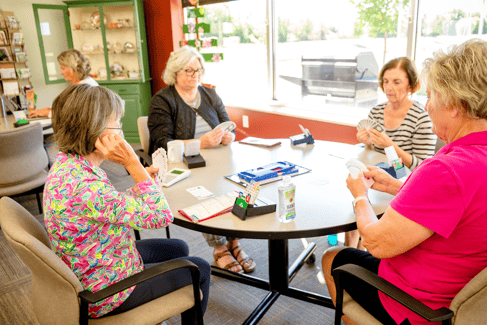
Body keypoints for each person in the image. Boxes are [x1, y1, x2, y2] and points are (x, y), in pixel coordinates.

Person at [322, 38, 487, 325]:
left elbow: (375, 243)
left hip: (419, 305)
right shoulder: (474, 160)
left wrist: (360, 195)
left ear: (456, 104)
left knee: (332, 258)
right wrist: (399, 186)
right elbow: (456, 205)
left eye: (433, 96)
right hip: (463, 292)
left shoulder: (446, 170)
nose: (428, 104)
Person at [43, 84, 210, 322]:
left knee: (178, 248)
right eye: (118, 123)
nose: (121, 131)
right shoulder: (85, 187)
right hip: (105, 292)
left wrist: (142, 183)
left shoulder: (69, 165)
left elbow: (105, 207)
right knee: (200, 267)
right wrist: (134, 165)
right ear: (96, 130)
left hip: (96, 260)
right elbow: (161, 216)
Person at [148, 46, 256, 274]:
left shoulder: (210, 95)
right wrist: (202, 143)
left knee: (241, 187)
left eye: (199, 69)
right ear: (175, 73)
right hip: (186, 165)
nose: (196, 74)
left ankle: (234, 242)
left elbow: (230, 126)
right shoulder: (163, 100)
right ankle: (220, 249)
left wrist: (229, 136)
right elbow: (161, 143)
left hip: (220, 159)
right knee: (209, 194)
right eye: (189, 70)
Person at [347, 57, 437, 248]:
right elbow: (372, 155)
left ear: (411, 86)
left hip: (404, 183)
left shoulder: (422, 118)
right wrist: (367, 143)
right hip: (377, 175)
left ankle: (364, 251)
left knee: (363, 203)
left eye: (397, 82)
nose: (389, 87)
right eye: (386, 81)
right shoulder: (376, 112)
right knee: (355, 198)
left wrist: (392, 147)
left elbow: (423, 166)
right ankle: (350, 249)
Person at [29, 49, 99, 118]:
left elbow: (75, 115)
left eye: (63, 69)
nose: (61, 73)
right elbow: (73, 110)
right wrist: (52, 111)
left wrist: (49, 112)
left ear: (73, 68)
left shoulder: (84, 88)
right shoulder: (86, 82)